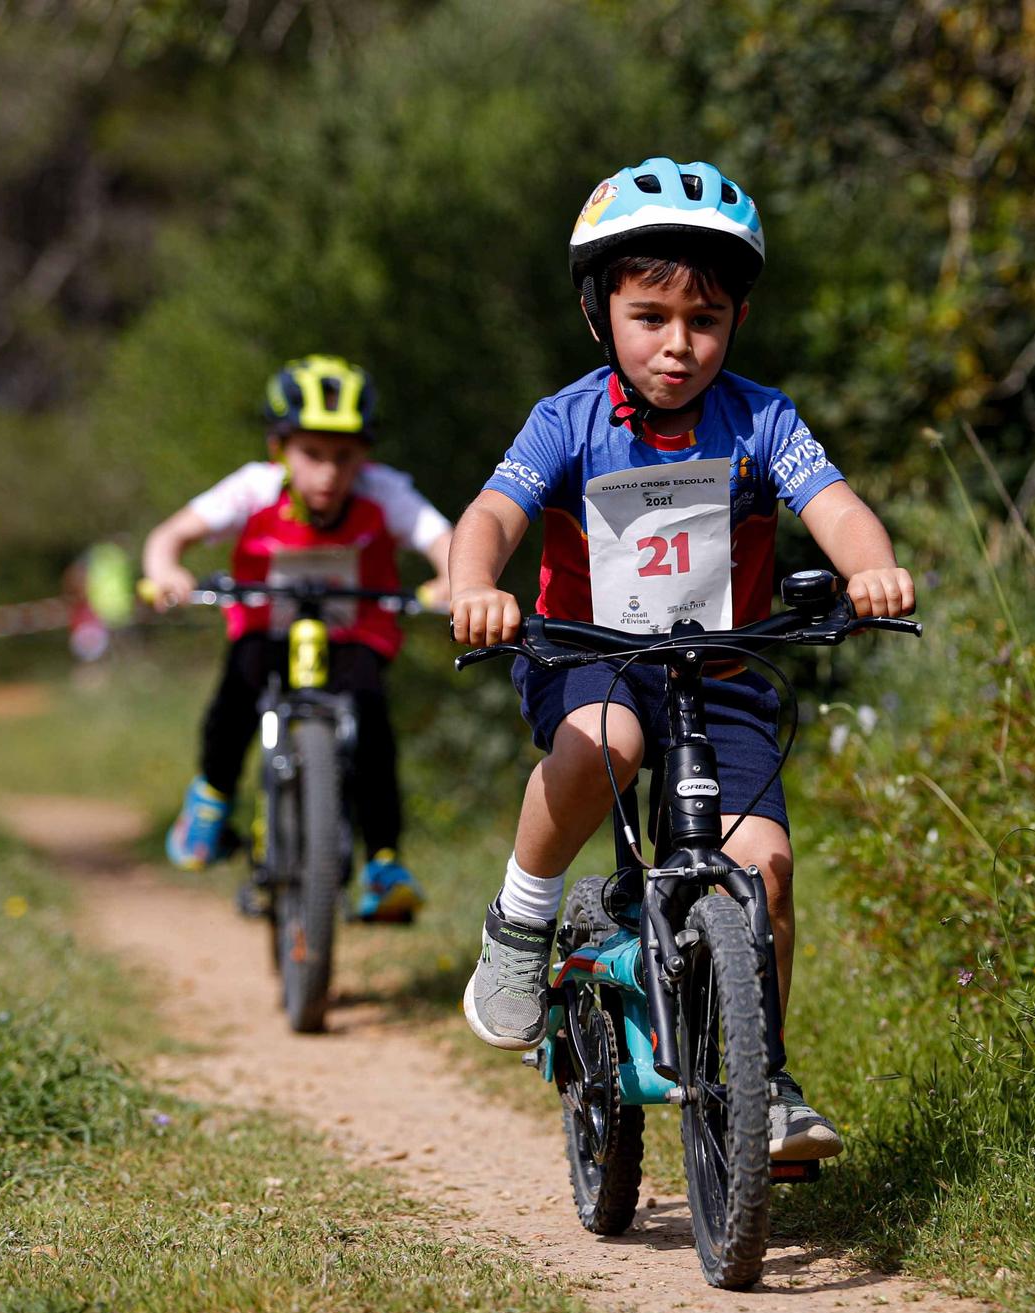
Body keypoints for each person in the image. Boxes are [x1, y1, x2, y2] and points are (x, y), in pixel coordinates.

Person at [446, 157, 915, 1160]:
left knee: (767, 871)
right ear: (598, 313)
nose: (676, 344)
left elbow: (831, 506)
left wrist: (870, 568)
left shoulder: (760, 418)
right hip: (591, 660)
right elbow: (490, 515)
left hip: (724, 673)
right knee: (605, 743)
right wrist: (473, 585)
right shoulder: (565, 419)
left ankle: (767, 1078)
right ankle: (521, 922)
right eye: (648, 315)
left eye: (702, 320)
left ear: (734, 324)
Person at [142, 355, 452, 922]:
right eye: (311, 454)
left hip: (355, 631)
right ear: (278, 448)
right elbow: (171, 536)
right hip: (265, 626)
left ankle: (383, 863)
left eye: (344, 456)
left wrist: (456, 582)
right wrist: (167, 571)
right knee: (237, 692)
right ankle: (211, 799)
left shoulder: (385, 492)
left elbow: (447, 544)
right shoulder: (253, 488)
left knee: (372, 722)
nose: (328, 474)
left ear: (366, 455)